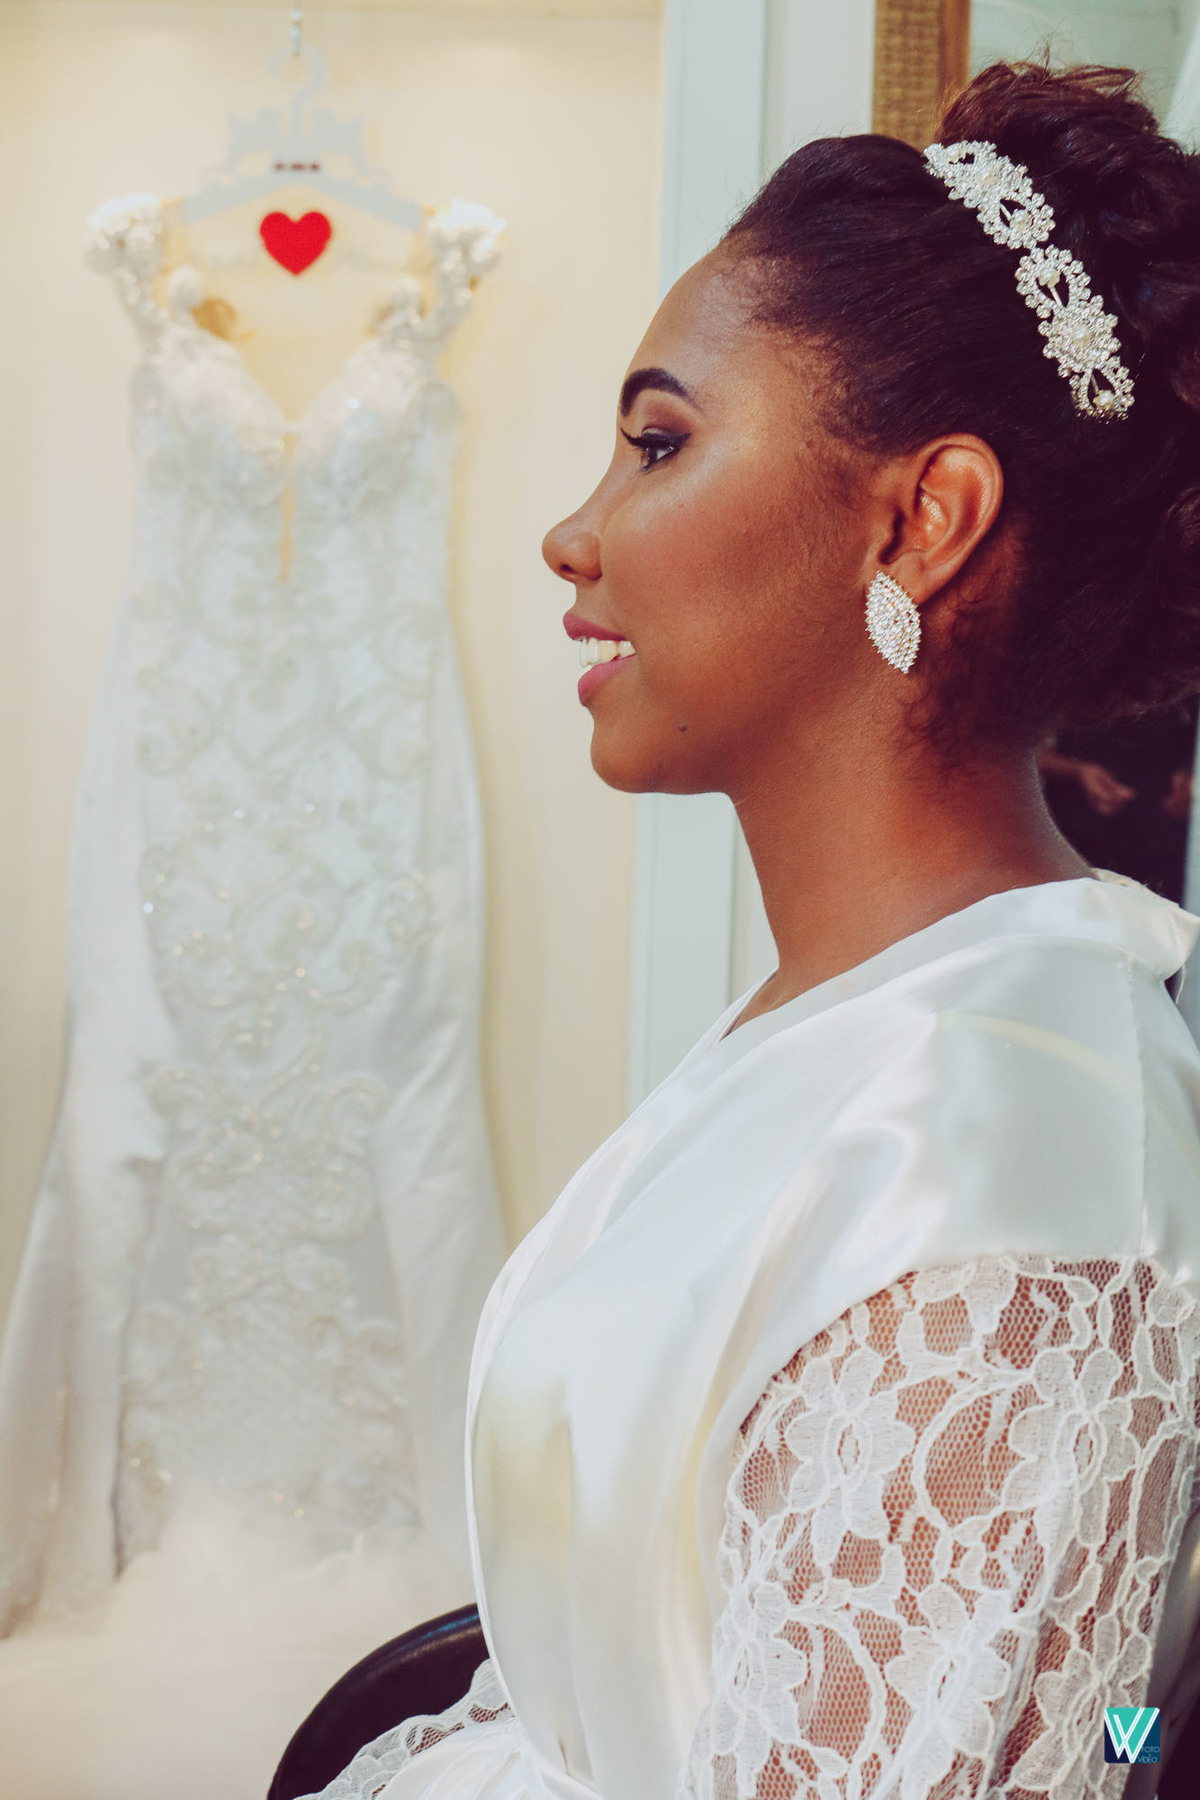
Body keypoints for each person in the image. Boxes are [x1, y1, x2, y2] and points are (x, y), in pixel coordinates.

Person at [302, 61, 1200, 1800]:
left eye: (659, 443)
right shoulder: (869, 1018)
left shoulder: (1002, 1180)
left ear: (920, 518)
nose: (572, 535)